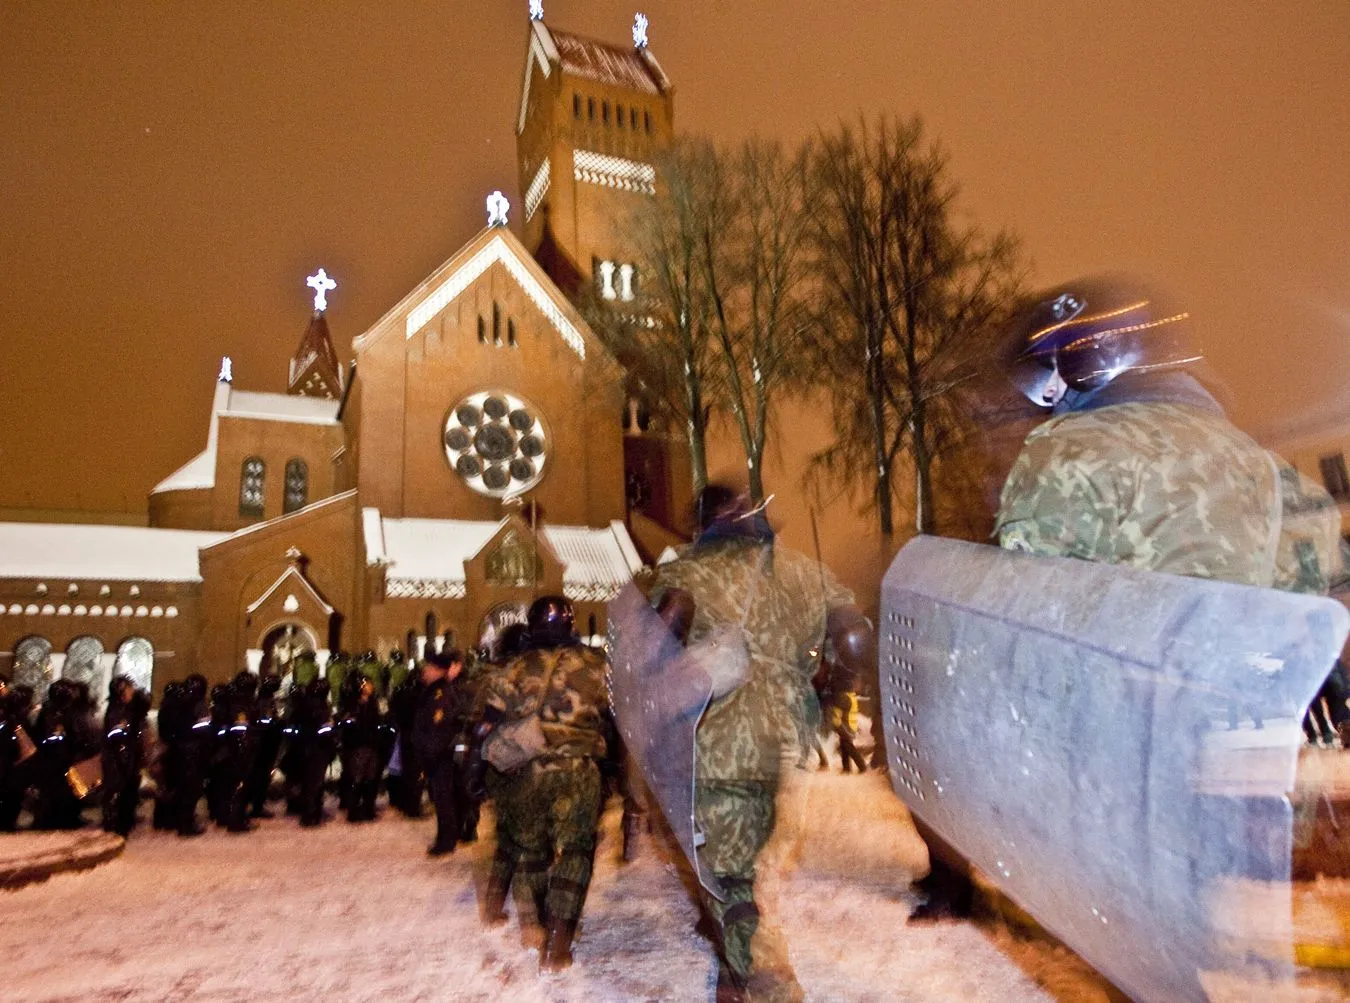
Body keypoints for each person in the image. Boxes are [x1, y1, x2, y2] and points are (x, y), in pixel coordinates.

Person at [907, 275, 1346, 920]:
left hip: (1120, 761)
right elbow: (1317, 609)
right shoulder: (1265, 466)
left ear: (1087, 363)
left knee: (1138, 937)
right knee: (1200, 938)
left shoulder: (1066, 451)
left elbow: (1033, 620)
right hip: (1236, 763)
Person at [647, 484, 874, 1002]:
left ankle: (773, 988)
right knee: (753, 867)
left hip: (718, 741)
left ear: (701, 524)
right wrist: (834, 694)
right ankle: (733, 975)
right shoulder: (805, 572)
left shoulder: (685, 573)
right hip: (788, 743)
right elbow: (856, 639)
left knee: (732, 881)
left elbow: (661, 645)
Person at [472, 596, 611, 972]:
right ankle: (558, 944)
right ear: (570, 625)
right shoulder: (598, 665)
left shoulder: (514, 667)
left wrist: (478, 764)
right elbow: (617, 716)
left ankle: (536, 925)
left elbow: (486, 722)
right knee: (576, 852)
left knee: (530, 850)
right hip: (577, 770)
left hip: (525, 773)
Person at [412, 648, 472, 855]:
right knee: (443, 797)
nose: (424, 671)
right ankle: (448, 836)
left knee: (444, 798)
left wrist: (429, 756)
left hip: (440, 757)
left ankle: (446, 840)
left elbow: (438, 728)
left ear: (438, 670)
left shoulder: (440, 693)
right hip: (438, 755)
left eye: (429, 668)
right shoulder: (433, 691)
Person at [101, 674, 150, 835]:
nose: (132, 691)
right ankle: (116, 826)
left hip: (127, 758)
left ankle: (123, 823)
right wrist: (124, 755)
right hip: (118, 759)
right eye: (129, 688)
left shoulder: (126, 710)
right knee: (118, 792)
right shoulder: (117, 711)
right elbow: (116, 735)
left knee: (127, 793)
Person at [337, 671, 387, 822]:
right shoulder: (353, 704)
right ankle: (353, 810)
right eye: (367, 684)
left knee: (370, 777)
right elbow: (348, 724)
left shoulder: (373, 703)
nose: (370, 687)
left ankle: (368, 808)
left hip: (372, 745)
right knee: (357, 777)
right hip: (358, 745)